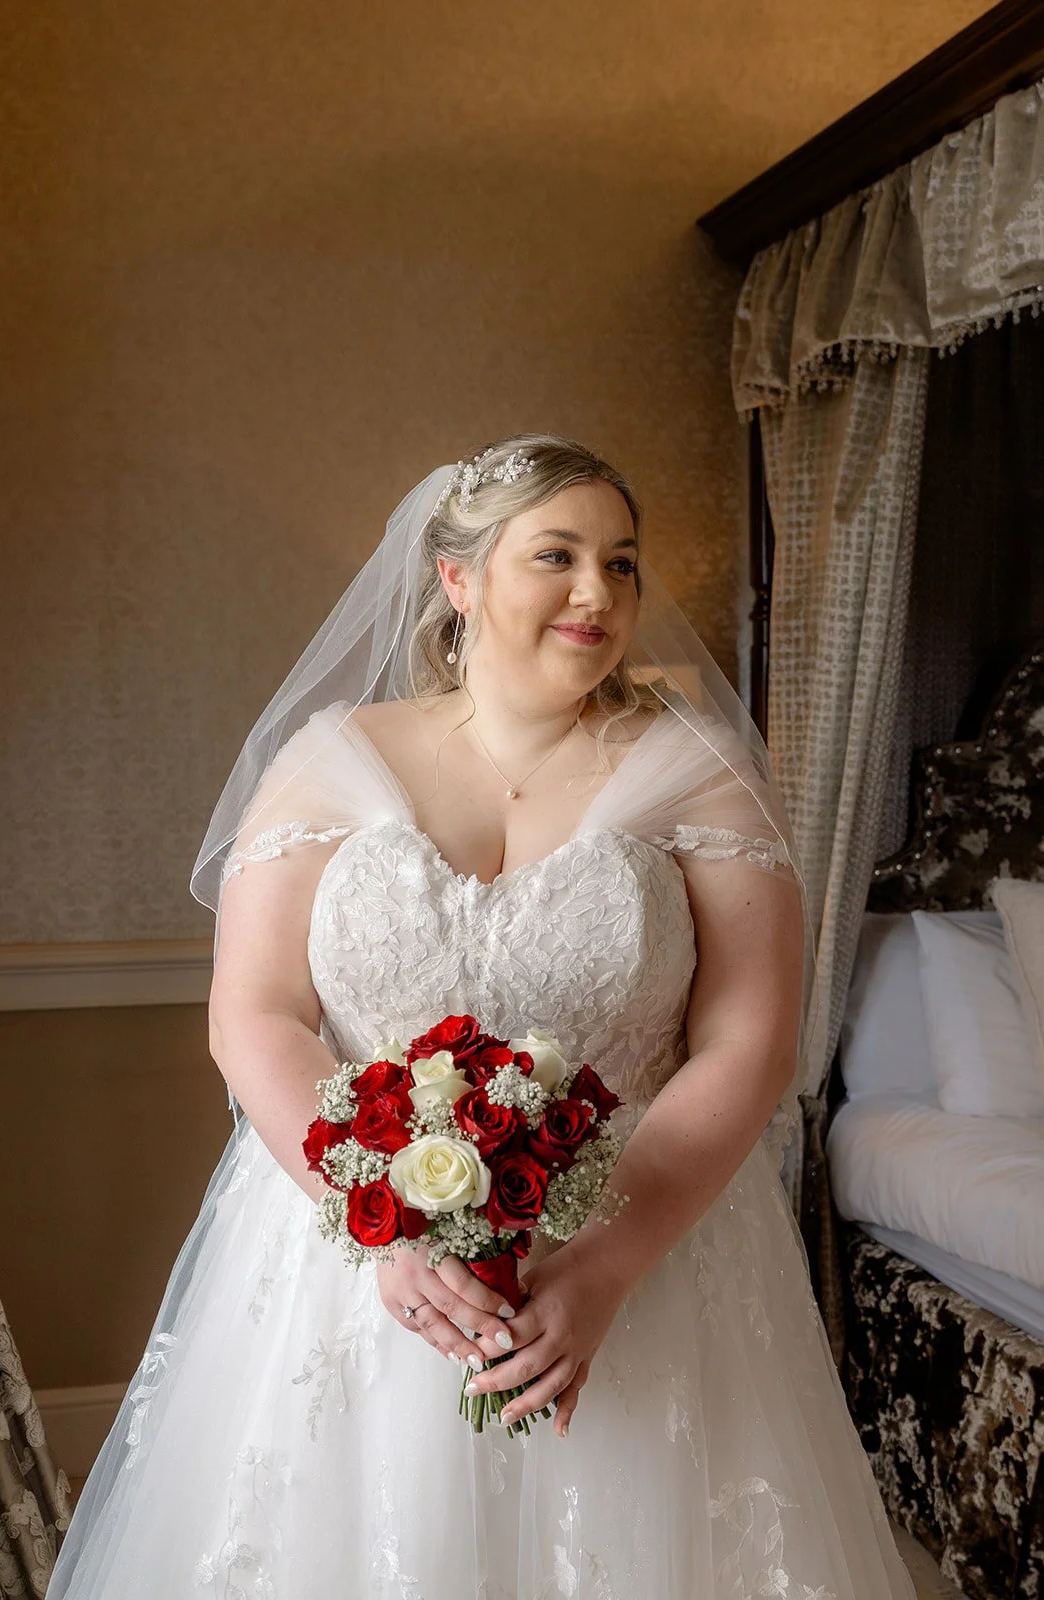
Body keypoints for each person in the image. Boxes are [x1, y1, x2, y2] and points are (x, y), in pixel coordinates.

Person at [47, 434, 915, 1598]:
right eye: (556, 555)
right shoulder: (329, 760)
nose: (597, 591)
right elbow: (254, 1013)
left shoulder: (696, 771)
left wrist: (603, 1263)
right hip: (350, 1260)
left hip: (638, 1245)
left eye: (620, 561)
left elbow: (747, 1041)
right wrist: (381, 1230)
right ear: (456, 578)